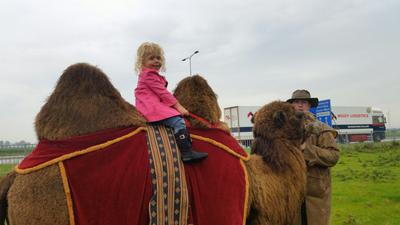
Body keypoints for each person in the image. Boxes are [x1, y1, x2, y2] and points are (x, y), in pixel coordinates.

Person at [134, 42, 208, 163]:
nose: (156, 61)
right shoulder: (149, 75)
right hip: (152, 108)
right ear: (142, 62)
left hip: (151, 106)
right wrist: (179, 107)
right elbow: (163, 93)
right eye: (151, 58)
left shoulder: (150, 76)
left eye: (158, 58)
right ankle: (187, 152)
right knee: (178, 121)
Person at [287, 89, 340, 225]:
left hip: (316, 193)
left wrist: (308, 150)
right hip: (291, 192)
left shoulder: (322, 129)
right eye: (296, 102)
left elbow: (333, 156)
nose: (300, 105)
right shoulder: (284, 130)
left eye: (304, 102)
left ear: (309, 105)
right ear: (291, 105)